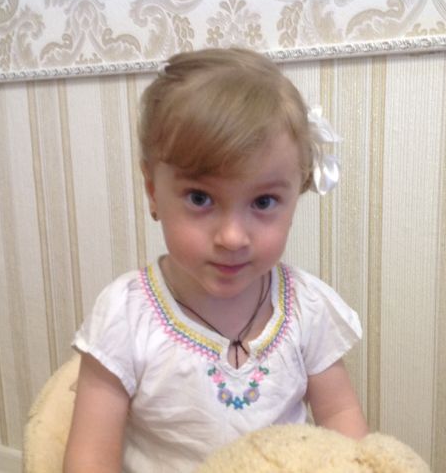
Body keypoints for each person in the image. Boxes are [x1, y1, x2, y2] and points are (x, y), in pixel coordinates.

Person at [63, 47, 368, 473]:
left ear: (295, 193)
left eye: (263, 201)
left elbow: (339, 415)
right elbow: (91, 456)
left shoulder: (306, 307)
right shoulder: (126, 316)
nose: (232, 237)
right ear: (153, 191)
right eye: (200, 198)